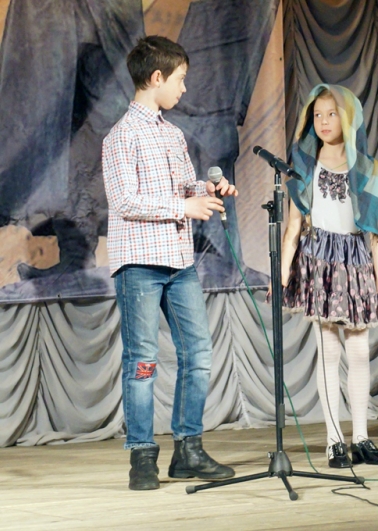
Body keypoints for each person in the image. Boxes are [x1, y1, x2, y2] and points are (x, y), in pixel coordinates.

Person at [102, 35, 238, 490]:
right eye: (179, 79)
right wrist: (184, 207)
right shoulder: (121, 136)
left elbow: (182, 188)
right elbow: (125, 200)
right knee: (142, 360)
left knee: (198, 353)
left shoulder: (172, 133)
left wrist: (207, 190)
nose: (183, 88)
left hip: (179, 262)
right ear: (156, 77)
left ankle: (188, 449)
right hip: (140, 263)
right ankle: (142, 455)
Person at [280, 84, 378, 468]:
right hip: (320, 261)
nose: (324, 121)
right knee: (329, 351)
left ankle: (361, 437)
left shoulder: (368, 170)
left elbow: (377, 234)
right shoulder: (304, 165)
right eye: (318, 115)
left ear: (349, 118)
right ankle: (334, 441)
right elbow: (294, 224)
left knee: (359, 351)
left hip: (355, 262)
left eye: (332, 114)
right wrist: (283, 272)